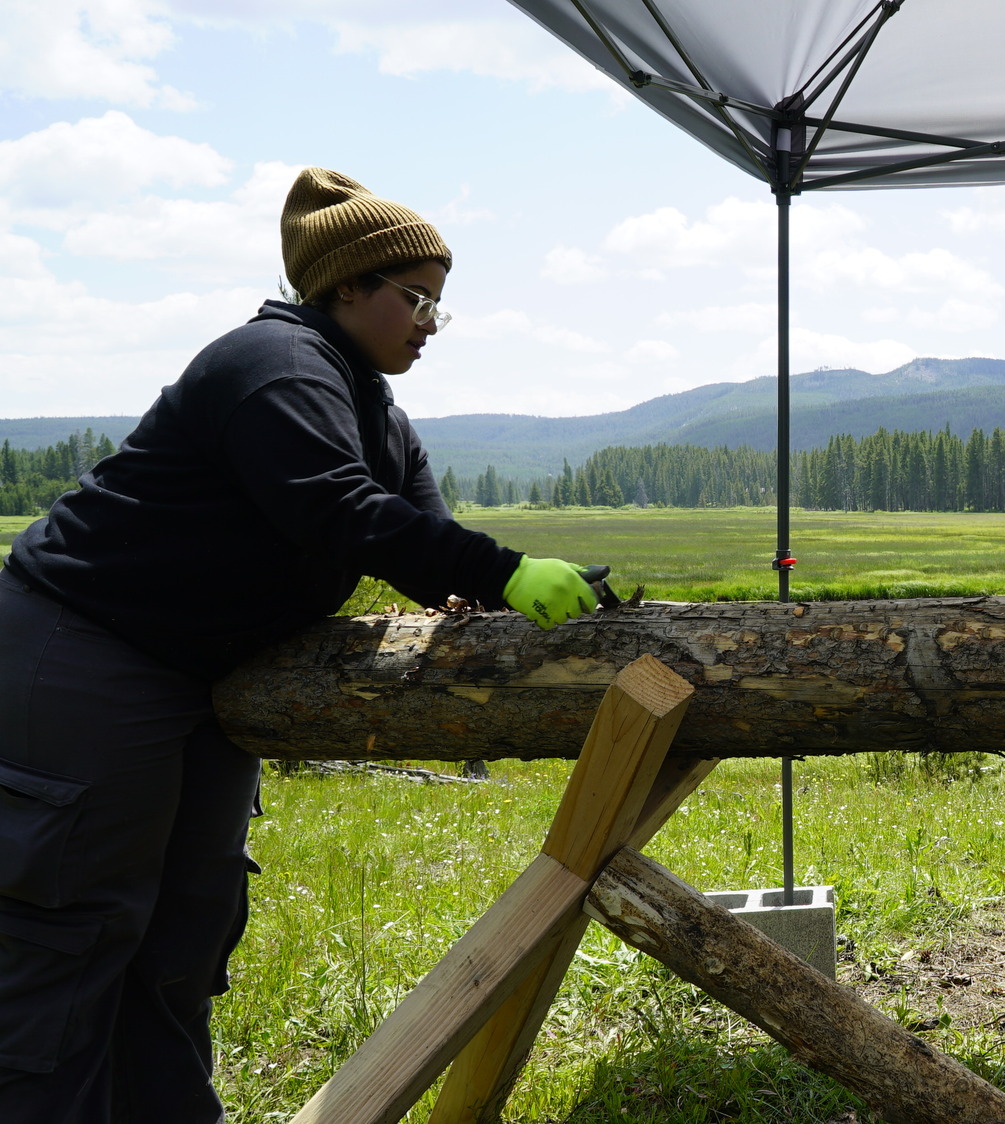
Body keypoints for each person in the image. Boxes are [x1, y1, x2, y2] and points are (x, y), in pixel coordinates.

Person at [0, 168, 605, 1121]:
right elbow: (339, 511)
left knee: (185, 931)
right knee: (75, 928)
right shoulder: (272, 366)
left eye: (438, 307)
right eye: (414, 300)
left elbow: (415, 535)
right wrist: (506, 568)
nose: (428, 325)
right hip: (86, 650)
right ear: (343, 286)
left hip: (202, 675)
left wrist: (489, 597)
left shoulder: (376, 410)